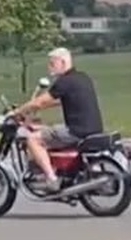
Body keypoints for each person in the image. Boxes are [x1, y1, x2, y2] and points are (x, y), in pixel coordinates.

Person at [8, 47, 104, 192]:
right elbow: (59, 100)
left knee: (32, 139)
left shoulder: (64, 82)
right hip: (94, 128)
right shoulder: (83, 77)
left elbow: (40, 102)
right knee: (48, 129)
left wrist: (17, 112)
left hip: (76, 131)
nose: (49, 67)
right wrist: (35, 107)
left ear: (63, 62)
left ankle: (51, 179)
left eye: (52, 63)